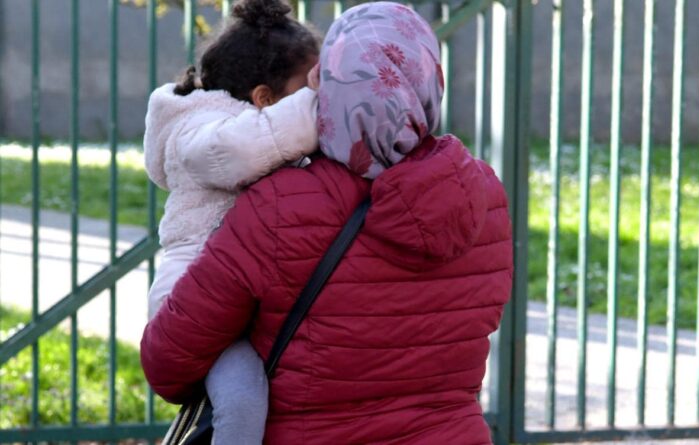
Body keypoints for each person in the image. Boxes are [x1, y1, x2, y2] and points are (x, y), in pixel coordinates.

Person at [141, 2, 512, 443]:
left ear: (330, 86)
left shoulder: (279, 205)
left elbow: (170, 358)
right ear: (430, 77)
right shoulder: (483, 196)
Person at [142, 0, 319, 443]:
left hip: (239, 298)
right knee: (243, 399)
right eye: (310, 89)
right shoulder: (202, 130)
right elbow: (234, 153)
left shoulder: (260, 130)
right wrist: (316, 112)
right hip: (191, 299)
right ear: (265, 99)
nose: (319, 99)